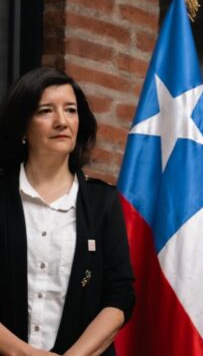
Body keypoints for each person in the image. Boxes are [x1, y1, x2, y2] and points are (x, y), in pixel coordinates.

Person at [0, 68, 135, 356]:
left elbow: (119, 295)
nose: (61, 121)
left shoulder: (103, 202)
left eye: (70, 110)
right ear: (22, 127)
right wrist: (23, 353)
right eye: (46, 110)